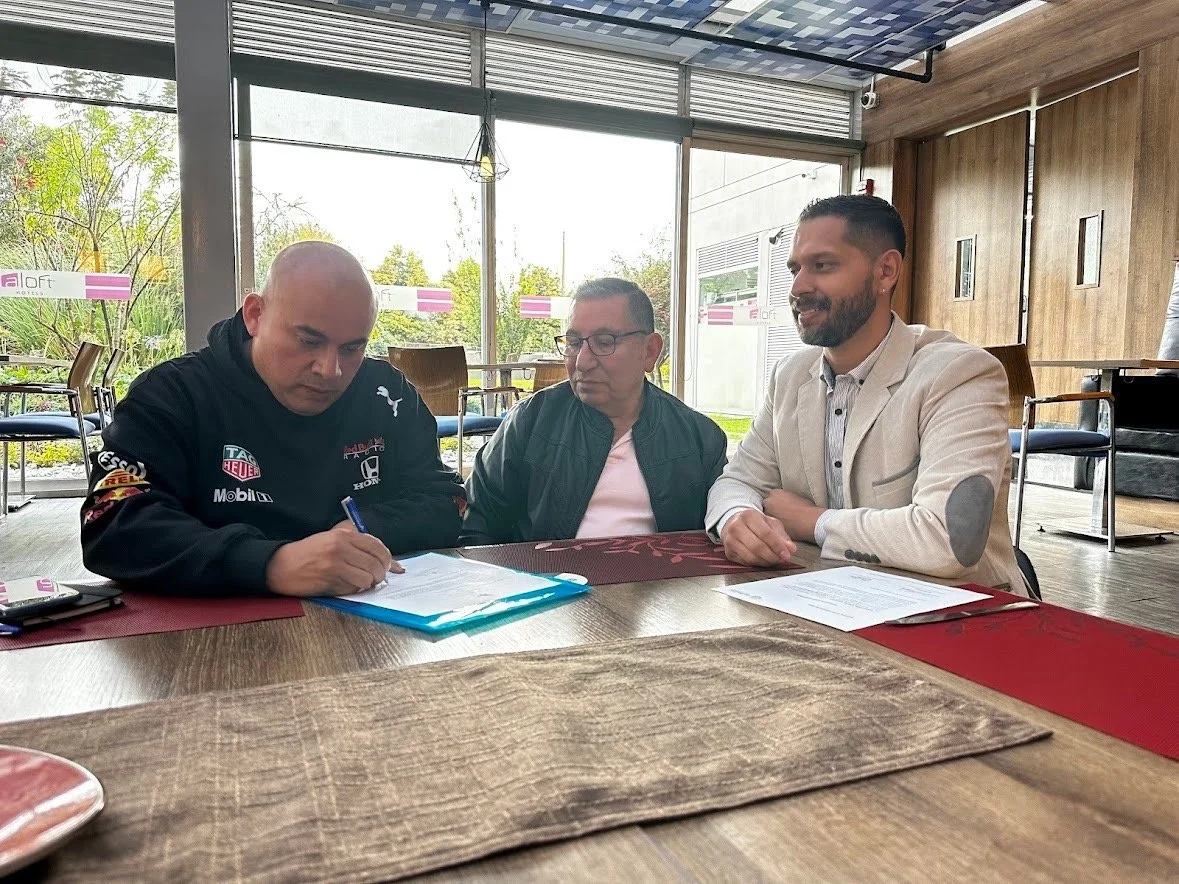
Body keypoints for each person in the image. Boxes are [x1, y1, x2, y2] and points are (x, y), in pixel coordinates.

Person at [81, 241, 465, 597]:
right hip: (212, 636)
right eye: (309, 341)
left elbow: (446, 499)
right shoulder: (173, 394)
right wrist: (271, 563)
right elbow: (111, 522)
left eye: (352, 348)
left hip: (377, 621)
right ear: (255, 315)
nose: (330, 370)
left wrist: (360, 530)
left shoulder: (387, 394)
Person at [707, 195, 1024, 592]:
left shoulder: (958, 374)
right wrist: (737, 516)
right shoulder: (790, 376)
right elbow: (737, 481)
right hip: (826, 601)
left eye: (822, 266)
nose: (798, 287)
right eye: (794, 269)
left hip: (955, 618)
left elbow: (949, 540)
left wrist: (812, 521)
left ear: (885, 271)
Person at [460, 278, 727, 545]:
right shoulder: (531, 422)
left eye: (604, 342)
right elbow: (476, 526)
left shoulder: (700, 440)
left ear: (649, 351)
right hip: (548, 583)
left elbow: (719, 535)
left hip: (664, 584)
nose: (582, 361)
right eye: (574, 343)